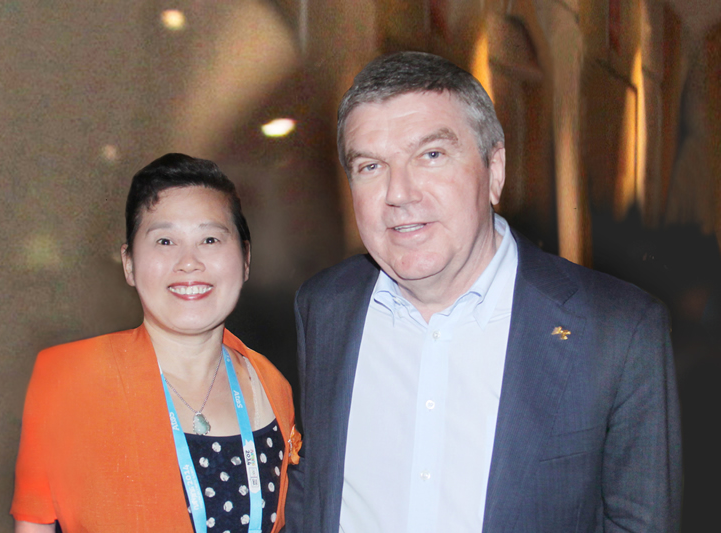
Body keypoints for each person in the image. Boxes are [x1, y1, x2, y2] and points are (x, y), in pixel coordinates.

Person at [285, 52, 681, 532]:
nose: (399, 193)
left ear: (495, 170)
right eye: (371, 166)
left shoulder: (617, 330)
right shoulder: (324, 306)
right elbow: (310, 490)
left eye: (431, 155)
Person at [12, 153, 299, 533]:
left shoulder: (272, 387)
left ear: (245, 258)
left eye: (210, 239)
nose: (189, 262)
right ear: (129, 263)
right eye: (165, 241)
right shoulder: (69, 380)